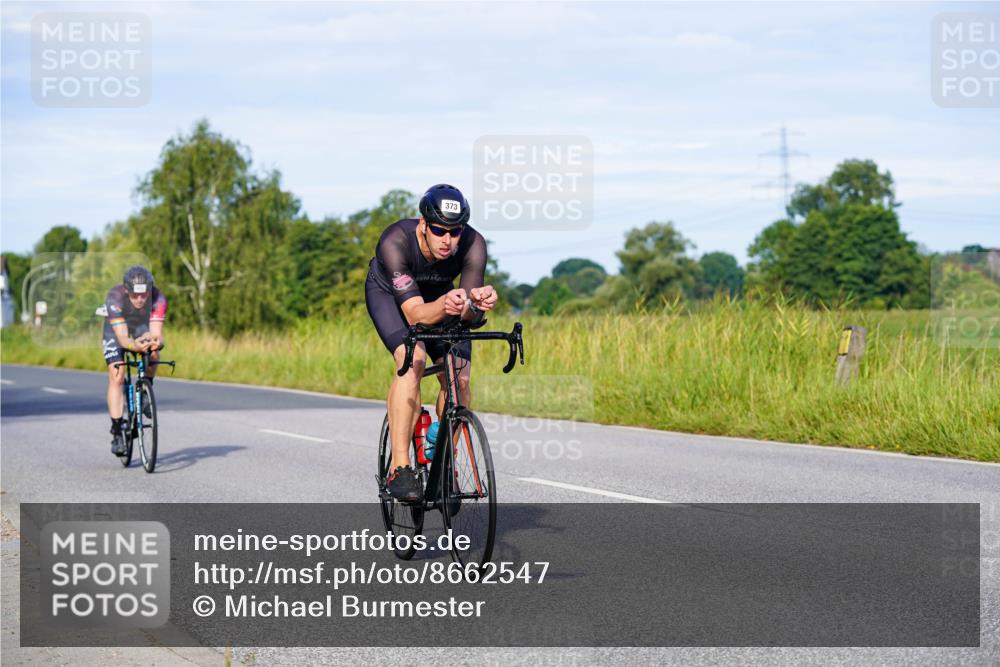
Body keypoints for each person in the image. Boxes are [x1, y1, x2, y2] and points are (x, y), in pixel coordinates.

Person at [366, 184, 498, 501]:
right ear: (423, 224)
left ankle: (444, 461)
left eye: (455, 232)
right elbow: (414, 314)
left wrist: (476, 305)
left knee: (459, 377)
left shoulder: (474, 244)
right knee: (413, 361)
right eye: (439, 230)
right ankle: (400, 466)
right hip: (392, 299)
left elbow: (466, 312)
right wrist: (446, 305)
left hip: (440, 299)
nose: (447, 240)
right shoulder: (395, 240)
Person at [102, 265, 168, 455]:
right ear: (126, 291)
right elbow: (123, 338)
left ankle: (146, 389)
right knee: (117, 373)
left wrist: (156, 343)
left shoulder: (158, 298)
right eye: (135, 295)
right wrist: (134, 346)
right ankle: (116, 430)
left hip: (141, 327)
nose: (140, 299)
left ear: (150, 290)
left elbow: (157, 334)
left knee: (154, 353)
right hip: (117, 331)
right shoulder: (114, 297)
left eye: (144, 295)